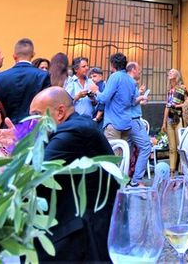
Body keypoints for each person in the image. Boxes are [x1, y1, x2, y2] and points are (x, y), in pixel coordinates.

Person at [30, 87, 117, 262]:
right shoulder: (76, 124)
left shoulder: (73, 132)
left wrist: (13, 149)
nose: (32, 124)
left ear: (60, 112)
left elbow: (34, 175)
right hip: (80, 214)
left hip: (88, 232)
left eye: (37, 115)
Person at [0, 38, 51, 123]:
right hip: (32, 127)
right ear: (33, 54)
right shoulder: (43, 76)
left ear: (14, 56)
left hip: (6, 126)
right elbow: (46, 106)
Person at [99, 53, 138, 148]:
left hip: (114, 123)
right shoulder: (131, 80)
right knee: (124, 153)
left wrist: (96, 91)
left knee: (112, 154)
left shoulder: (115, 76)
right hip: (126, 123)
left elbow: (104, 98)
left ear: (113, 64)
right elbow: (133, 102)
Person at [125, 62, 152, 184]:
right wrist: (141, 97)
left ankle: (125, 179)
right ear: (133, 70)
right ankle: (136, 180)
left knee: (128, 151)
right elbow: (130, 102)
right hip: (133, 120)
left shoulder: (128, 83)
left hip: (127, 120)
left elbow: (131, 103)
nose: (140, 71)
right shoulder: (130, 83)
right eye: (139, 69)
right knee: (146, 146)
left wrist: (140, 97)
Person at [162, 68, 187, 173]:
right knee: (172, 148)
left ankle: (182, 169)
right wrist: (163, 123)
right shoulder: (169, 91)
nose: (169, 73)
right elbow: (167, 107)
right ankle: (172, 171)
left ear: (177, 75)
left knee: (180, 145)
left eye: (172, 72)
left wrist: (177, 106)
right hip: (170, 119)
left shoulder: (182, 88)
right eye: (169, 72)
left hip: (179, 118)